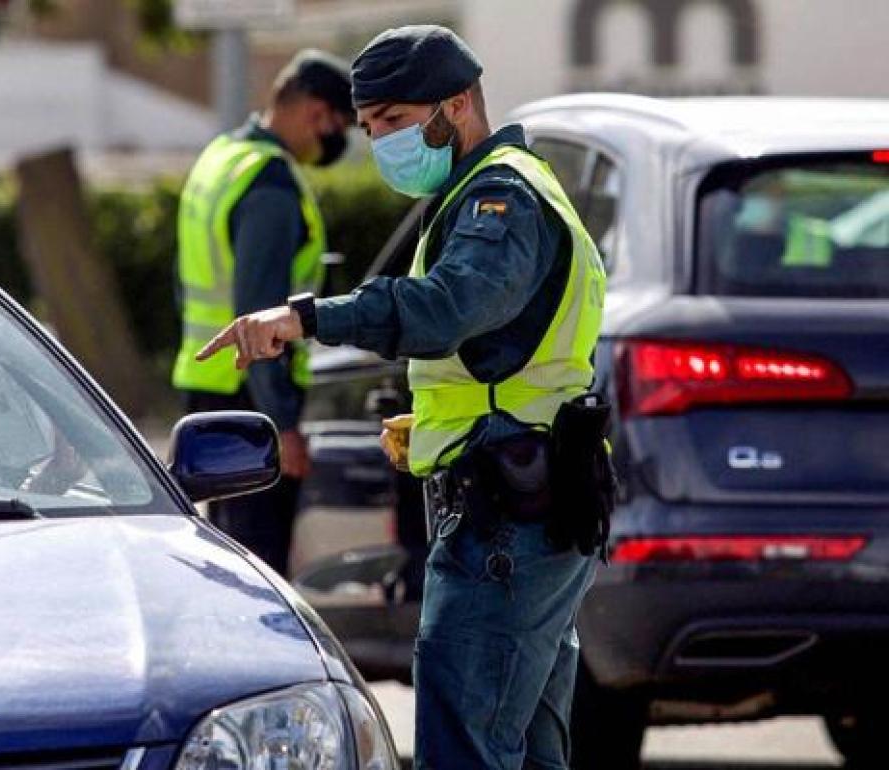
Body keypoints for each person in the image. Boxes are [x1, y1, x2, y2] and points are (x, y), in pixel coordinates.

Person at [196, 25, 609, 770]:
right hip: (525, 497)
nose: (380, 142)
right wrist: (444, 421)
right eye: (368, 126)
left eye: (393, 121)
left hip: (509, 523)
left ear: (458, 103)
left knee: (465, 747)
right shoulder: (486, 187)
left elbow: (452, 305)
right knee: (528, 749)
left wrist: (308, 317)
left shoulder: (500, 196)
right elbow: (514, 348)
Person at [171, 49, 354, 576]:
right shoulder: (270, 184)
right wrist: (283, 424)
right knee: (258, 569)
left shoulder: (221, 156)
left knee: (222, 561)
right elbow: (261, 315)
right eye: (337, 126)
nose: (334, 140)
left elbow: (185, 281)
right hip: (252, 401)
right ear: (316, 113)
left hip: (206, 384)